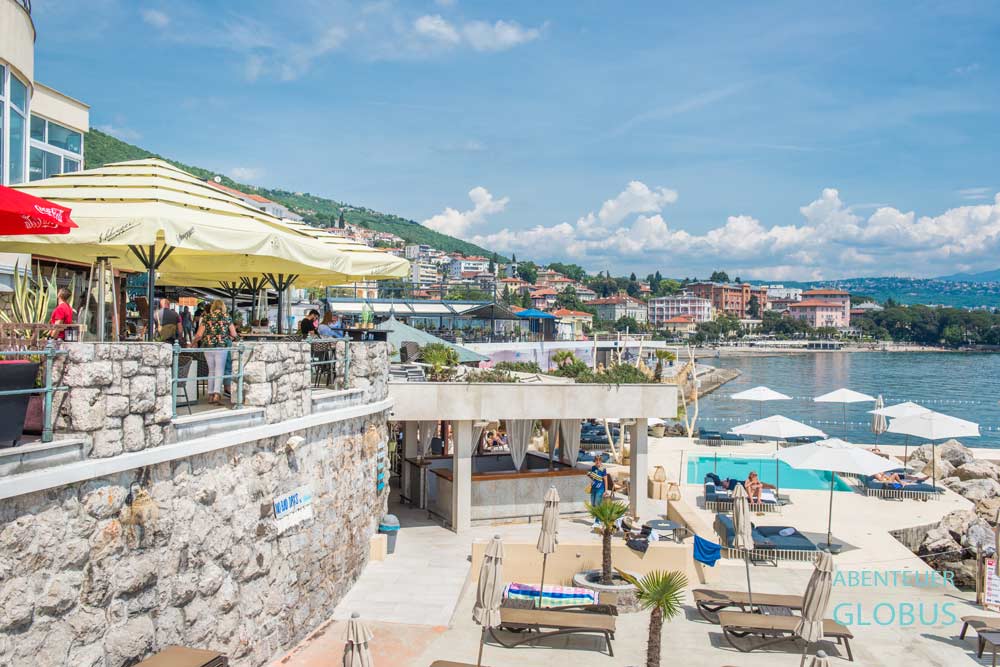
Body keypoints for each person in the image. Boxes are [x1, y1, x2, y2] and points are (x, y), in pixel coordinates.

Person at [193, 299, 238, 405]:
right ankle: (217, 394)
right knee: (219, 370)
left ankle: (210, 395)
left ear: (213, 307)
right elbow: (234, 334)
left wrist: (192, 343)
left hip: (208, 346)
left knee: (211, 370)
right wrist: (228, 338)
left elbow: (199, 334)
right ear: (222, 307)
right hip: (221, 347)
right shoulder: (226, 316)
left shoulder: (206, 317)